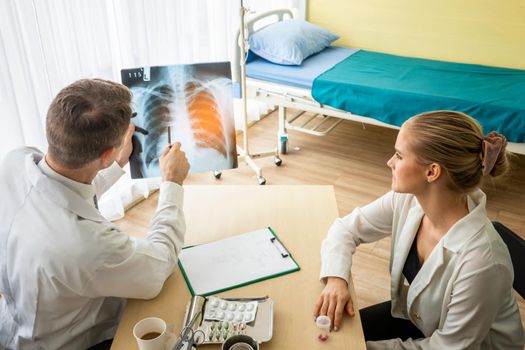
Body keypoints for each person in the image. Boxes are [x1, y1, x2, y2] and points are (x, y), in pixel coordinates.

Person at [0, 79, 190, 349]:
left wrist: (114, 164)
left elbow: (61, 191)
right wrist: (172, 182)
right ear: (106, 154)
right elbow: (159, 267)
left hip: (13, 325)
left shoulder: (14, 162)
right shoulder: (87, 244)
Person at [314, 110, 524, 349]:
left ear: (432, 172)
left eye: (399, 156)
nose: (389, 162)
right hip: (424, 320)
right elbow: (346, 229)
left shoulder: (483, 262)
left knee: (338, 341)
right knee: (329, 332)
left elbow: (447, 347)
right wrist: (336, 279)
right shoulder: (408, 200)